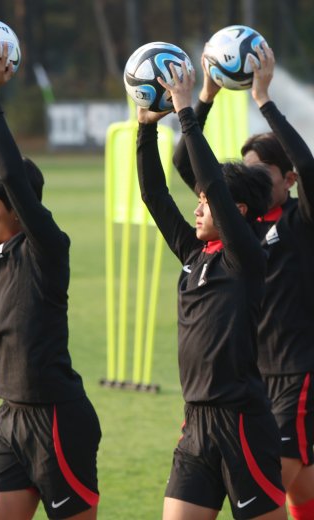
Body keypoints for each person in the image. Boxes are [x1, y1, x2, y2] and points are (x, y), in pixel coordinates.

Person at [138, 63, 286, 519]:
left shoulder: (246, 257)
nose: (198, 207)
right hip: (195, 422)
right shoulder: (193, 254)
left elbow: (217, 189)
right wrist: (147, 129)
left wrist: (186, 110)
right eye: (199, 200)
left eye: (205, 201)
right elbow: (154, 196)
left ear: (236, 210)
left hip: (241, 422)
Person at [173, 44, 314, 518]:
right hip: (251, 376)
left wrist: (263, 101)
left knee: (282, 485)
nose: (250, 175)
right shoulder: (234, 234)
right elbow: (190, 171)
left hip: (295, 373)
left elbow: (309, 168)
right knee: (301, 488)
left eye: (262, 171)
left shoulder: (299, 220)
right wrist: (206, 98)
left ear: (288, 179)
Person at [0, 39, 101, 520]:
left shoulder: (46, 246)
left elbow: (11, 179)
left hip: (56, 417)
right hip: (10, 416)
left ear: (20, 211)